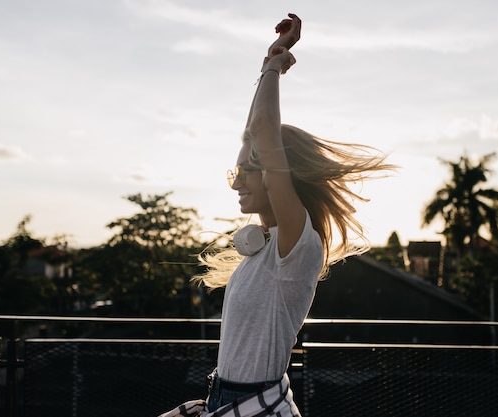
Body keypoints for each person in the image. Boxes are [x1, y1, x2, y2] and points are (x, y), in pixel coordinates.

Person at [159, 13, 394, 417]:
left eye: (247, 171)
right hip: (227, 400)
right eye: (234, 172)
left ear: (277, 173)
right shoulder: (262, 246)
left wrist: (273, 64)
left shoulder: (298, 246)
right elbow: (256, 131)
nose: (236, 184)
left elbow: (264, 128)